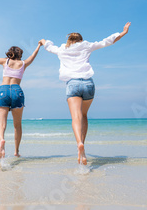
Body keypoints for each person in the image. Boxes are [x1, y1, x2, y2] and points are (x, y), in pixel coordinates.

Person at [40, 22, 131, 165]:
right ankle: (83, 143)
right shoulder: (87, 46)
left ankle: (79, 144)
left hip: (73, 84)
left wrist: (43, 41)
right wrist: (123, 32)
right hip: (88, 83)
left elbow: (48, 46)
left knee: (76, 116)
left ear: (68, 40)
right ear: (81, 40)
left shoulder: (62, 50)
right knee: (84, 115)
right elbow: (106, 42)